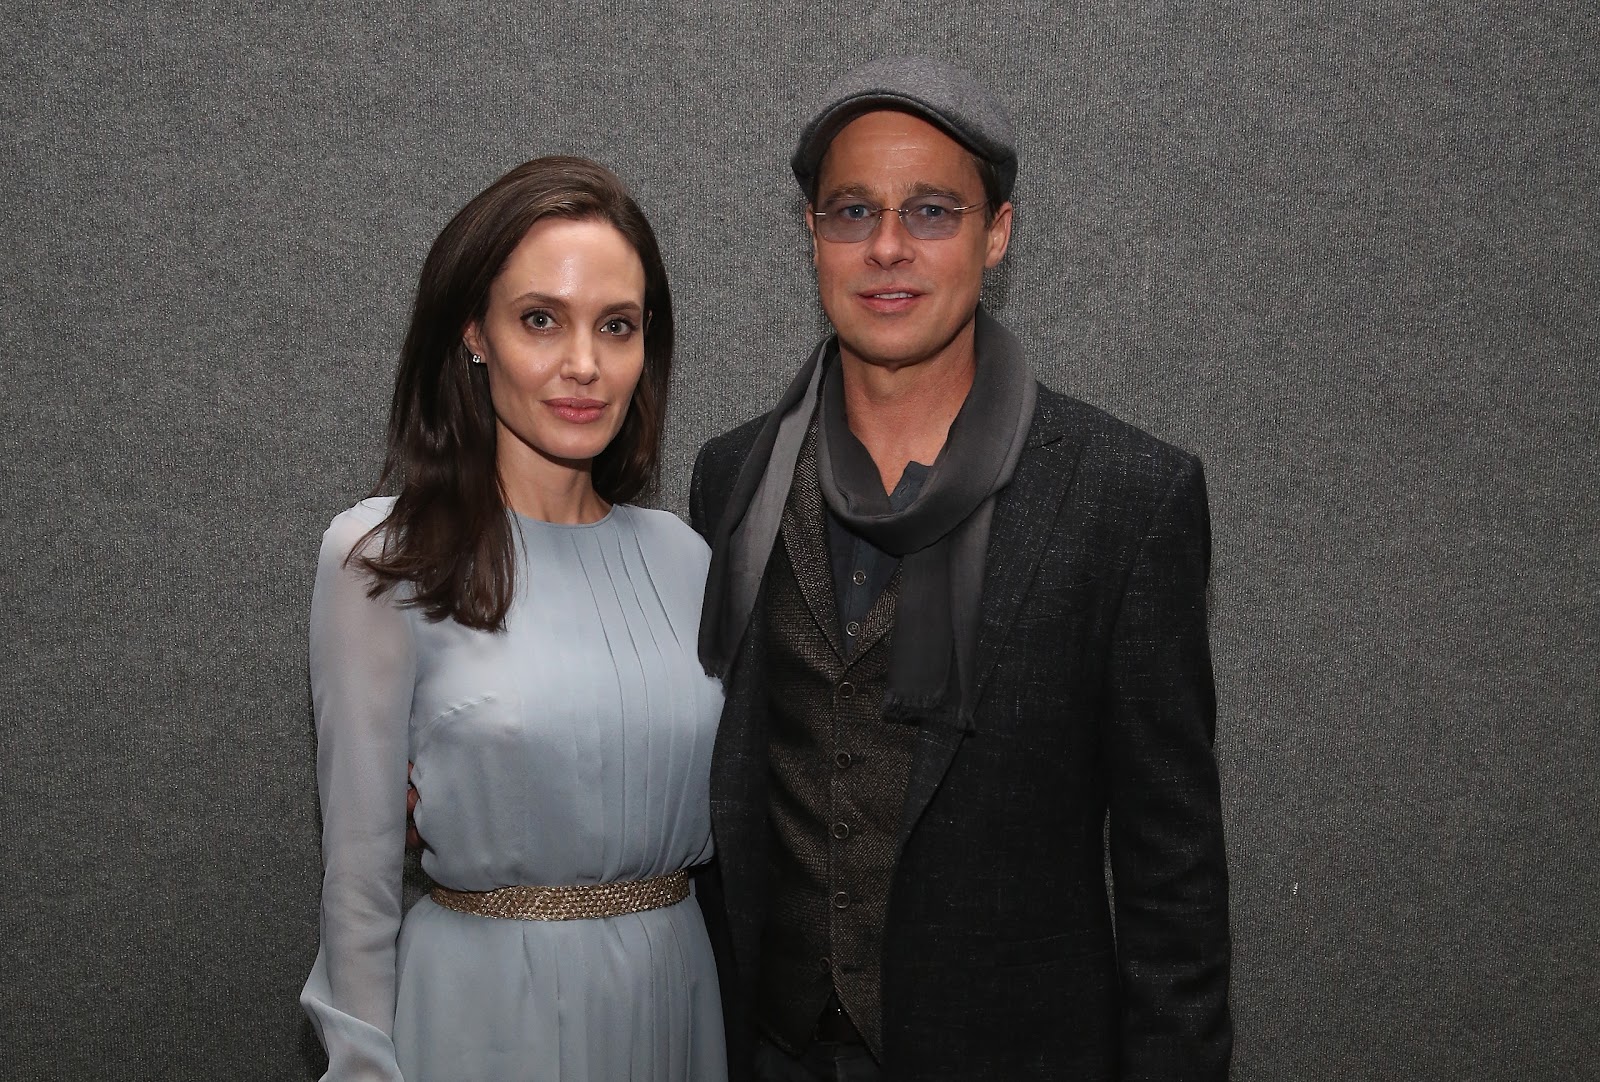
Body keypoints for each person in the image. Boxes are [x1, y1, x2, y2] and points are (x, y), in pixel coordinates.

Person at [691, 58, 1232, 1080]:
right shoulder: (732, 475)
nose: (886, 247)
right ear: (811, 235)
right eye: (852, 211)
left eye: (931, 211)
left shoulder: (1128, 496)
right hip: (768, 1051)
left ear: (997, 234)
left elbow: (1174, 882)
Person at [301, 156, 727, 1082]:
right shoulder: (382, 558)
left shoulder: (688, 559)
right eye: (542, 319)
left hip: (678, 1004)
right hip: (484, 1018)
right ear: (474, 334)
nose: (584, 364)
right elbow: (361, 884)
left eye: (616, 326)